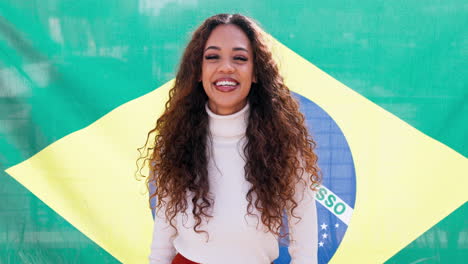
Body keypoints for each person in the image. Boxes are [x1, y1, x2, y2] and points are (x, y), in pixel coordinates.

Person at [138, 13, 321, 264]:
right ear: (198, 72)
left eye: (240, 58)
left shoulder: (284, 144)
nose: (226, 67)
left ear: (256, 72)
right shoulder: (178, 141)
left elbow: (305, 243)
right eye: (212, 57)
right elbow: (162, 240)